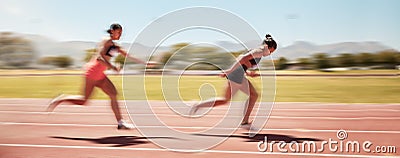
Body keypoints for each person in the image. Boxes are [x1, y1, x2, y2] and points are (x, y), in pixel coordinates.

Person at [47, 23, 147, 130]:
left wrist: (146, 63)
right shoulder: (106, 42)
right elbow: (100, 58)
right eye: (118, 32)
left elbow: (129, 56)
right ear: (112, 31)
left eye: (121, 33)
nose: (120, 35)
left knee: (113, 93)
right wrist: (113, 67)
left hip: (100, 75)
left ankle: (120, 122)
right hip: (92, 73)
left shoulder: (116, 46)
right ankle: (61, 99)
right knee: (84, 100)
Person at [189, 34, 277, 128]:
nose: (270, 54)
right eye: (271, 52)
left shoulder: (258, 52)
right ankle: (197, 105)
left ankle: (244, 122)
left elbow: (244, 62)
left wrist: (248, 72)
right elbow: (241, 58)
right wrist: (229, 71)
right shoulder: (259, 51)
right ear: (268, 47)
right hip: (236, 75)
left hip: (239, 75)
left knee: (253, 95)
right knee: (225, 100)